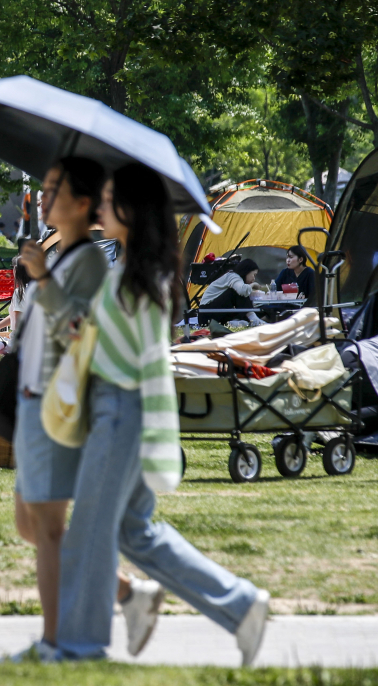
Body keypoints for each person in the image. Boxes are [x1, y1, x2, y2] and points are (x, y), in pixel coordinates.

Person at [54, 163, 269, 664]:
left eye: (108, 200)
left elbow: (137, 356)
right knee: (134, 531)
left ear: (132, 209)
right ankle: (240, 605)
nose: (100, 207)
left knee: (90, 530)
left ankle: (79, 646)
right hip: (117, 409)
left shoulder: (144, 275)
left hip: (121, 411)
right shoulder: (132, 268)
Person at [7, 156, 117, 660]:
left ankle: (55, 643)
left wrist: (43, 279)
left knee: (47, 529)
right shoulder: (60, 256)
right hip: (30, 401)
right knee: (28, 525)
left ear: (82, 204)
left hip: (56, 406)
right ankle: (126, 592)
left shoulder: (90, 260)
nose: (44, 197)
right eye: (44, 188)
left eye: (55, 189)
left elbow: (76, 331)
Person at [198, 258, 265, 325]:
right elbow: (242, 290)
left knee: (242, 310)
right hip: (206, 313)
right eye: (254, 275)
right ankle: (254, 320)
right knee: (236, 291)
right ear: (247, 271)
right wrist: (253, 285)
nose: (254, 278)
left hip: (211, 313)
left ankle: (235, 322)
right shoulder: (233, 276)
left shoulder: (236, 278)